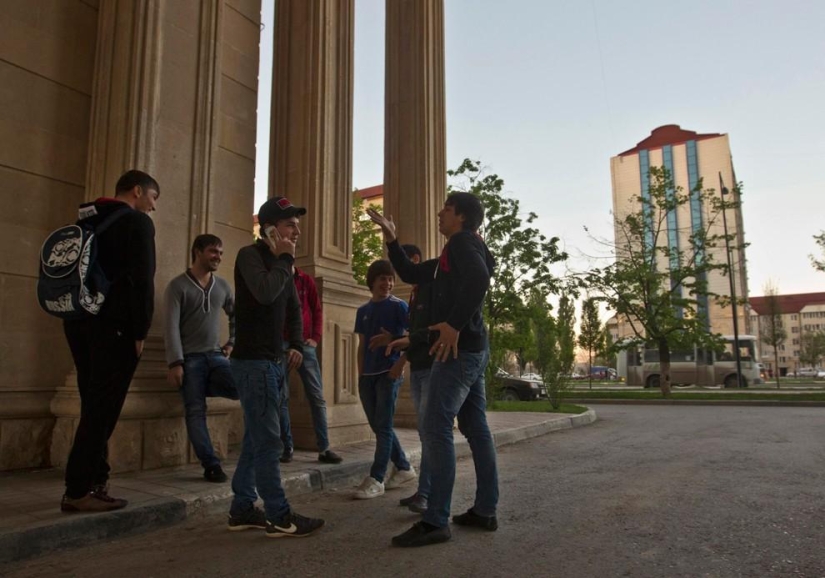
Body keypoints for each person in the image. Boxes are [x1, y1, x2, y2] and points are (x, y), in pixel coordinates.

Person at [368, 192, 499, 548]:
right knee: (475, 427)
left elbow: (480, 278)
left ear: (461, 217)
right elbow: (410, 272)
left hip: (457, 352)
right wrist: (392, 239)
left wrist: (454, 324)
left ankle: (435, 519)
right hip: (473, 350)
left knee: (435, 427)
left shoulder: (460, 243)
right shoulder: (449, 256)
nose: (439, 213)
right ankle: (485, 509)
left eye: (446, 209)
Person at [61, 170, 159, 513]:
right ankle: (77, 490)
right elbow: (143, 282)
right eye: (152, 198)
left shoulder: (87, 217)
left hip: (77, 321)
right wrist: (140, 332)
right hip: (114, 327)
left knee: (93, 404)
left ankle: (96, 482)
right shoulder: (137, 223)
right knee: (102, 411)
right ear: (137, 191)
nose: (152, 207)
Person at [226, 196, 324, 538]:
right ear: (269, 229)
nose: (296, 231)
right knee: (270, 442)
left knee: (256, 438)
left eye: (297, 225)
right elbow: (266, 292)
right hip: (252, 362)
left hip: (273, 361)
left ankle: (241, 509)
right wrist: (284, 260)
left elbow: (293, 307)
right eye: (289, 225)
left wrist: (296, 344)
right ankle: (279, 515)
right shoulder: (250, 256)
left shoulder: (286, 264)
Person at [164, 234, 238, 484]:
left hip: (216, 357)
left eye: (220, 252)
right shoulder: (177, 286)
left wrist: (232, 343)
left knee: (243, 387)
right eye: (212, 251)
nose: (218, 256)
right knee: (195, 411)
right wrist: (175, 363)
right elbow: (171, 327)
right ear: (197, 252)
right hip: (190, 360)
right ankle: (211, 465)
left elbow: (237, 316)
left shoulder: (223, 287)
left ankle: (202, 386)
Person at [374, 244, 433, 514]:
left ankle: (429, 495)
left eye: (400, 264)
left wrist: (400, 361)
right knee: (425, 432)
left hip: (431, 367)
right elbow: (413, 332)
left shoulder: (430, 290)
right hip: (420, 366)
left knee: (431, 433)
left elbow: (424, 333)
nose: (395, 271)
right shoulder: (415, 293)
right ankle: (423, 490)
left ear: (416, 261)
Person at [352, 260, 417, 500]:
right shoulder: (363, 311)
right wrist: (360, 374)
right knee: (380, 427)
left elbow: (413, 336)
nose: (387, 283)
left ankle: (377, 478)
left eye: (390, 279)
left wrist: (399, 364)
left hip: (388, 373)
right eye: (382, 278)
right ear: (372, 281)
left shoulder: (399, 306)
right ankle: (404, 468)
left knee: (384, 425)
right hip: (367, 376)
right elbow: (361, 345)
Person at [277, 264, 343, 465]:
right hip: (280, 345)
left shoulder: (306, 280)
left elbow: (316, 309)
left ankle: (324, 448)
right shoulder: (275, 277)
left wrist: (315, 337)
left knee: (317, 396)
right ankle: (286, 447)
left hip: (305, 344)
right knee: (281, 397)